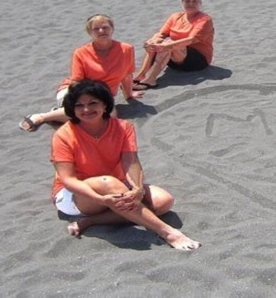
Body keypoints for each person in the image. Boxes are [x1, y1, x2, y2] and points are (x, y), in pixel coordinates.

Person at [50, 79, 201, 250]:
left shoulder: (123, 127)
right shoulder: (63, 135)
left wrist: (138, 189)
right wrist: (101, 199)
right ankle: (169, 233)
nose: (86, 109)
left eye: (93, 103)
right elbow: (68, 180)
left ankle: (91, 221)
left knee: (163, 201)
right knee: (108, 183)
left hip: (117, 187)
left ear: (105, 104)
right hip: (76, 195)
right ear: (72, 108)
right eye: (79, 105)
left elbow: (131, 161)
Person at [19, 14, 142, 132]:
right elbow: (76, 83)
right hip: (76, 91)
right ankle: (43, 116)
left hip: (103, 97)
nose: (101, 31)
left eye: (105, 27)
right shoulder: (81, 53)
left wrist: (129, 95)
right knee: (88, 114)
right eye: (96, 29)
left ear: (112, 29)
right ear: (90, 33)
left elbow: (127, 75)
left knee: (108, 119)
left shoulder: (126, 49)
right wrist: (83, 101)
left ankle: (61, 114)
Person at [133, 0, 214, 90]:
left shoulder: (204, 19)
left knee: (168, 44)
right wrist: (151, 42)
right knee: (154, 42)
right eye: (187, 1)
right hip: (174, 59)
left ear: (199, 3)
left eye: (194, 1)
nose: (191, 4)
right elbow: (162, 33)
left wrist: (167, 45)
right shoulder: (175, 17)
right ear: (182, 2)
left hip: (197, 61)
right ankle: (142, 74)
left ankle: (150, 79)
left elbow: (191, 39)